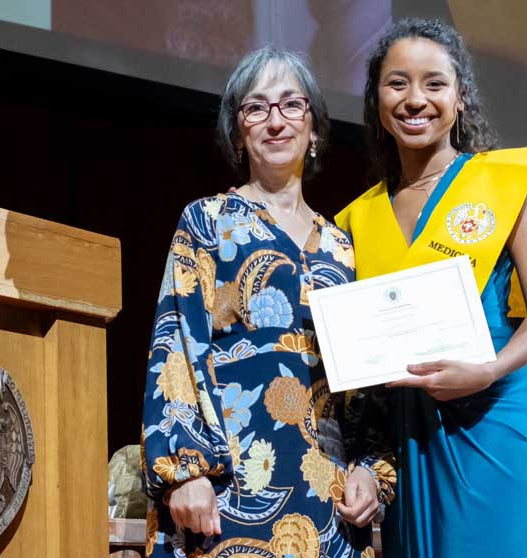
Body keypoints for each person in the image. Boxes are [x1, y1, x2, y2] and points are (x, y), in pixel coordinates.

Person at [141, 46, 395, 558]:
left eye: (291, 105)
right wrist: (185, 473)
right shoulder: (207, 222)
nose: (275, 121)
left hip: (330, 501)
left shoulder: (343, 247)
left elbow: (368, 386)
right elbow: (176, 345)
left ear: (315, 128)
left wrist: (372, 472)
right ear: (238, 133)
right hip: (230, 487)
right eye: (256, 108)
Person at [336, 18, 527, 557]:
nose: (415, 99)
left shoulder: (508, 182)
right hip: (405, 436)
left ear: (461, 99)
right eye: (397, 83)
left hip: (493, 421)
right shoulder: (354, 220)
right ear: (376, 100)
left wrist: (486, 369)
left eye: (434, 84)